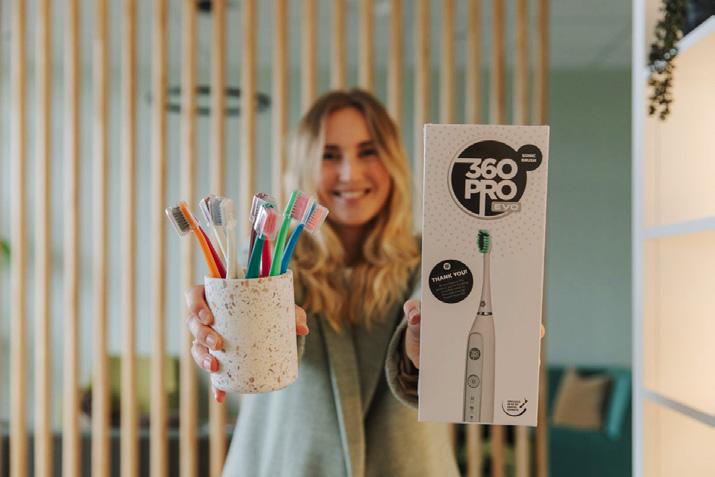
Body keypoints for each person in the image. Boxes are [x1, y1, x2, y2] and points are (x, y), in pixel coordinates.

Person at [185, 89, 542, 476]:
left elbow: (436, 333)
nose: (350, 173)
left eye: (368, 151)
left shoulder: (438, 262)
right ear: (304, 166)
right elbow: (244, 339)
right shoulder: (264, 265)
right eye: (329, 155)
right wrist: (225, 331)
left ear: (392, 162)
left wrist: (427, 351)